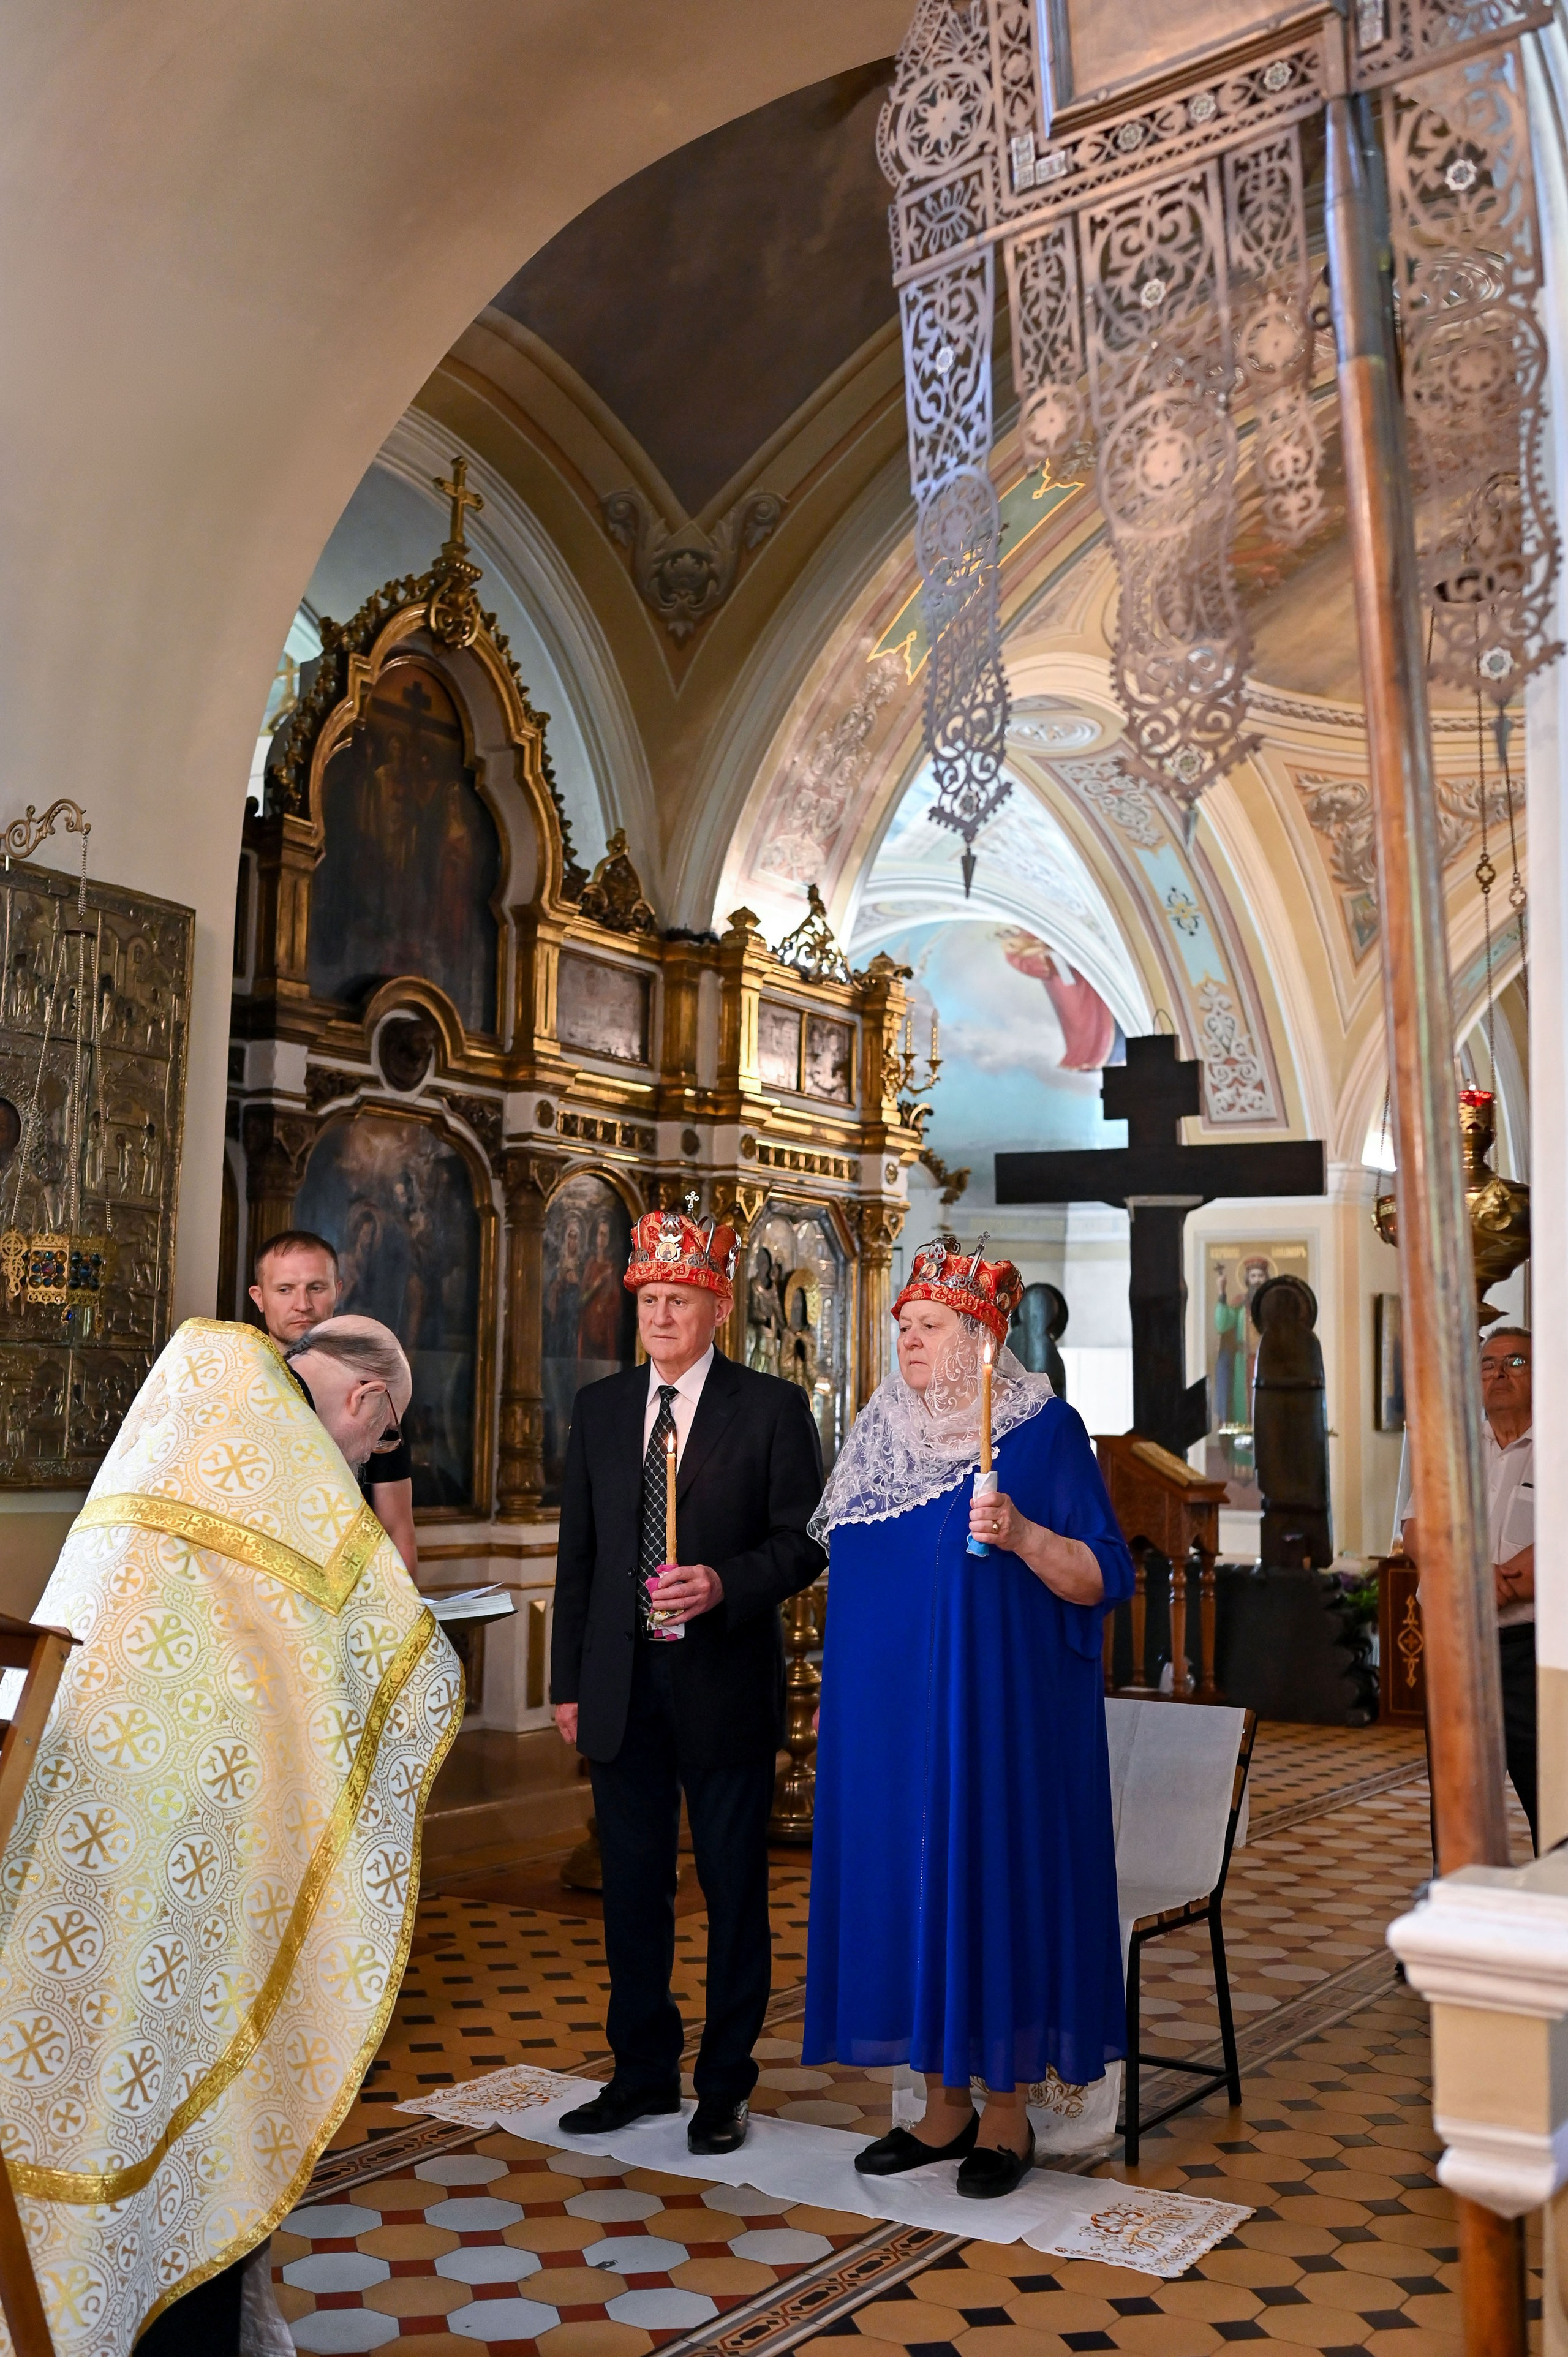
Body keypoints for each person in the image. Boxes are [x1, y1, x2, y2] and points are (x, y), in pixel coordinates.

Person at [0, 1312, 462, 2356]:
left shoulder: (181, 1425)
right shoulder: (286, 1475)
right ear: (368, 1402)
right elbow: (396, 1655)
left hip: (67, 1824)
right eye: (378, 1438)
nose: (363, 1460)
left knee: (74, 2080)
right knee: (181, 2104)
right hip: (185, 1873)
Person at [802, 1239, 1134, 2199]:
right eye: (904, 1325)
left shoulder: (1045, 1432)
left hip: (1000, 1728)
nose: (909, 1339)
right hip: (896, 1736)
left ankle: (1005, 2115)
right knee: (915, 1897)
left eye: (931, 1325)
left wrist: (1023, 1534)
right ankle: (942, 2110)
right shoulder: (880, 1436)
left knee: (991, 1891)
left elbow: (1105, 1574)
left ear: (984, 1341)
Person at [549, 1207, 825, 2155]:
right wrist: (568, 1682)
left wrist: (723, 1584)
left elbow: (805, 1542)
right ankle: (641, 2073)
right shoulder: (602, 1409)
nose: (661, 1317)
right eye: (649, 1301)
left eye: (679, 1300)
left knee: (733, 1891)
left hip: (722, 1678)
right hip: (620, 1684)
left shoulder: (771, 1409)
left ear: (717, 1309)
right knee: (631, 1890)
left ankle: (724, 2087)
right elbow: (578, 1558)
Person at [1398, 1324, 1536, 1847]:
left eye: (1516, 1362)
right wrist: (1476, 1580)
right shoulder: (1451, 1450)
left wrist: (1499, 1586)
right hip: (1457, 1652)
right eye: (1488, 1364)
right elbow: (1417, 1531)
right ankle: (1462, 1895)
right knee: (1460, 1812)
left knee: (1555, 1805)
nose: (1499, 1373)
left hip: (1532, 1655)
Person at [251, 1226, 418, 1572]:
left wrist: (403, 1603)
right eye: (285, 1289)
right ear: (259, 1297)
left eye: (316, 1288)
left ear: (337, 1291)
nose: (303, 1305)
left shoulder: (374, 1388)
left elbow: (396, 1528)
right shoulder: (243, 1385)